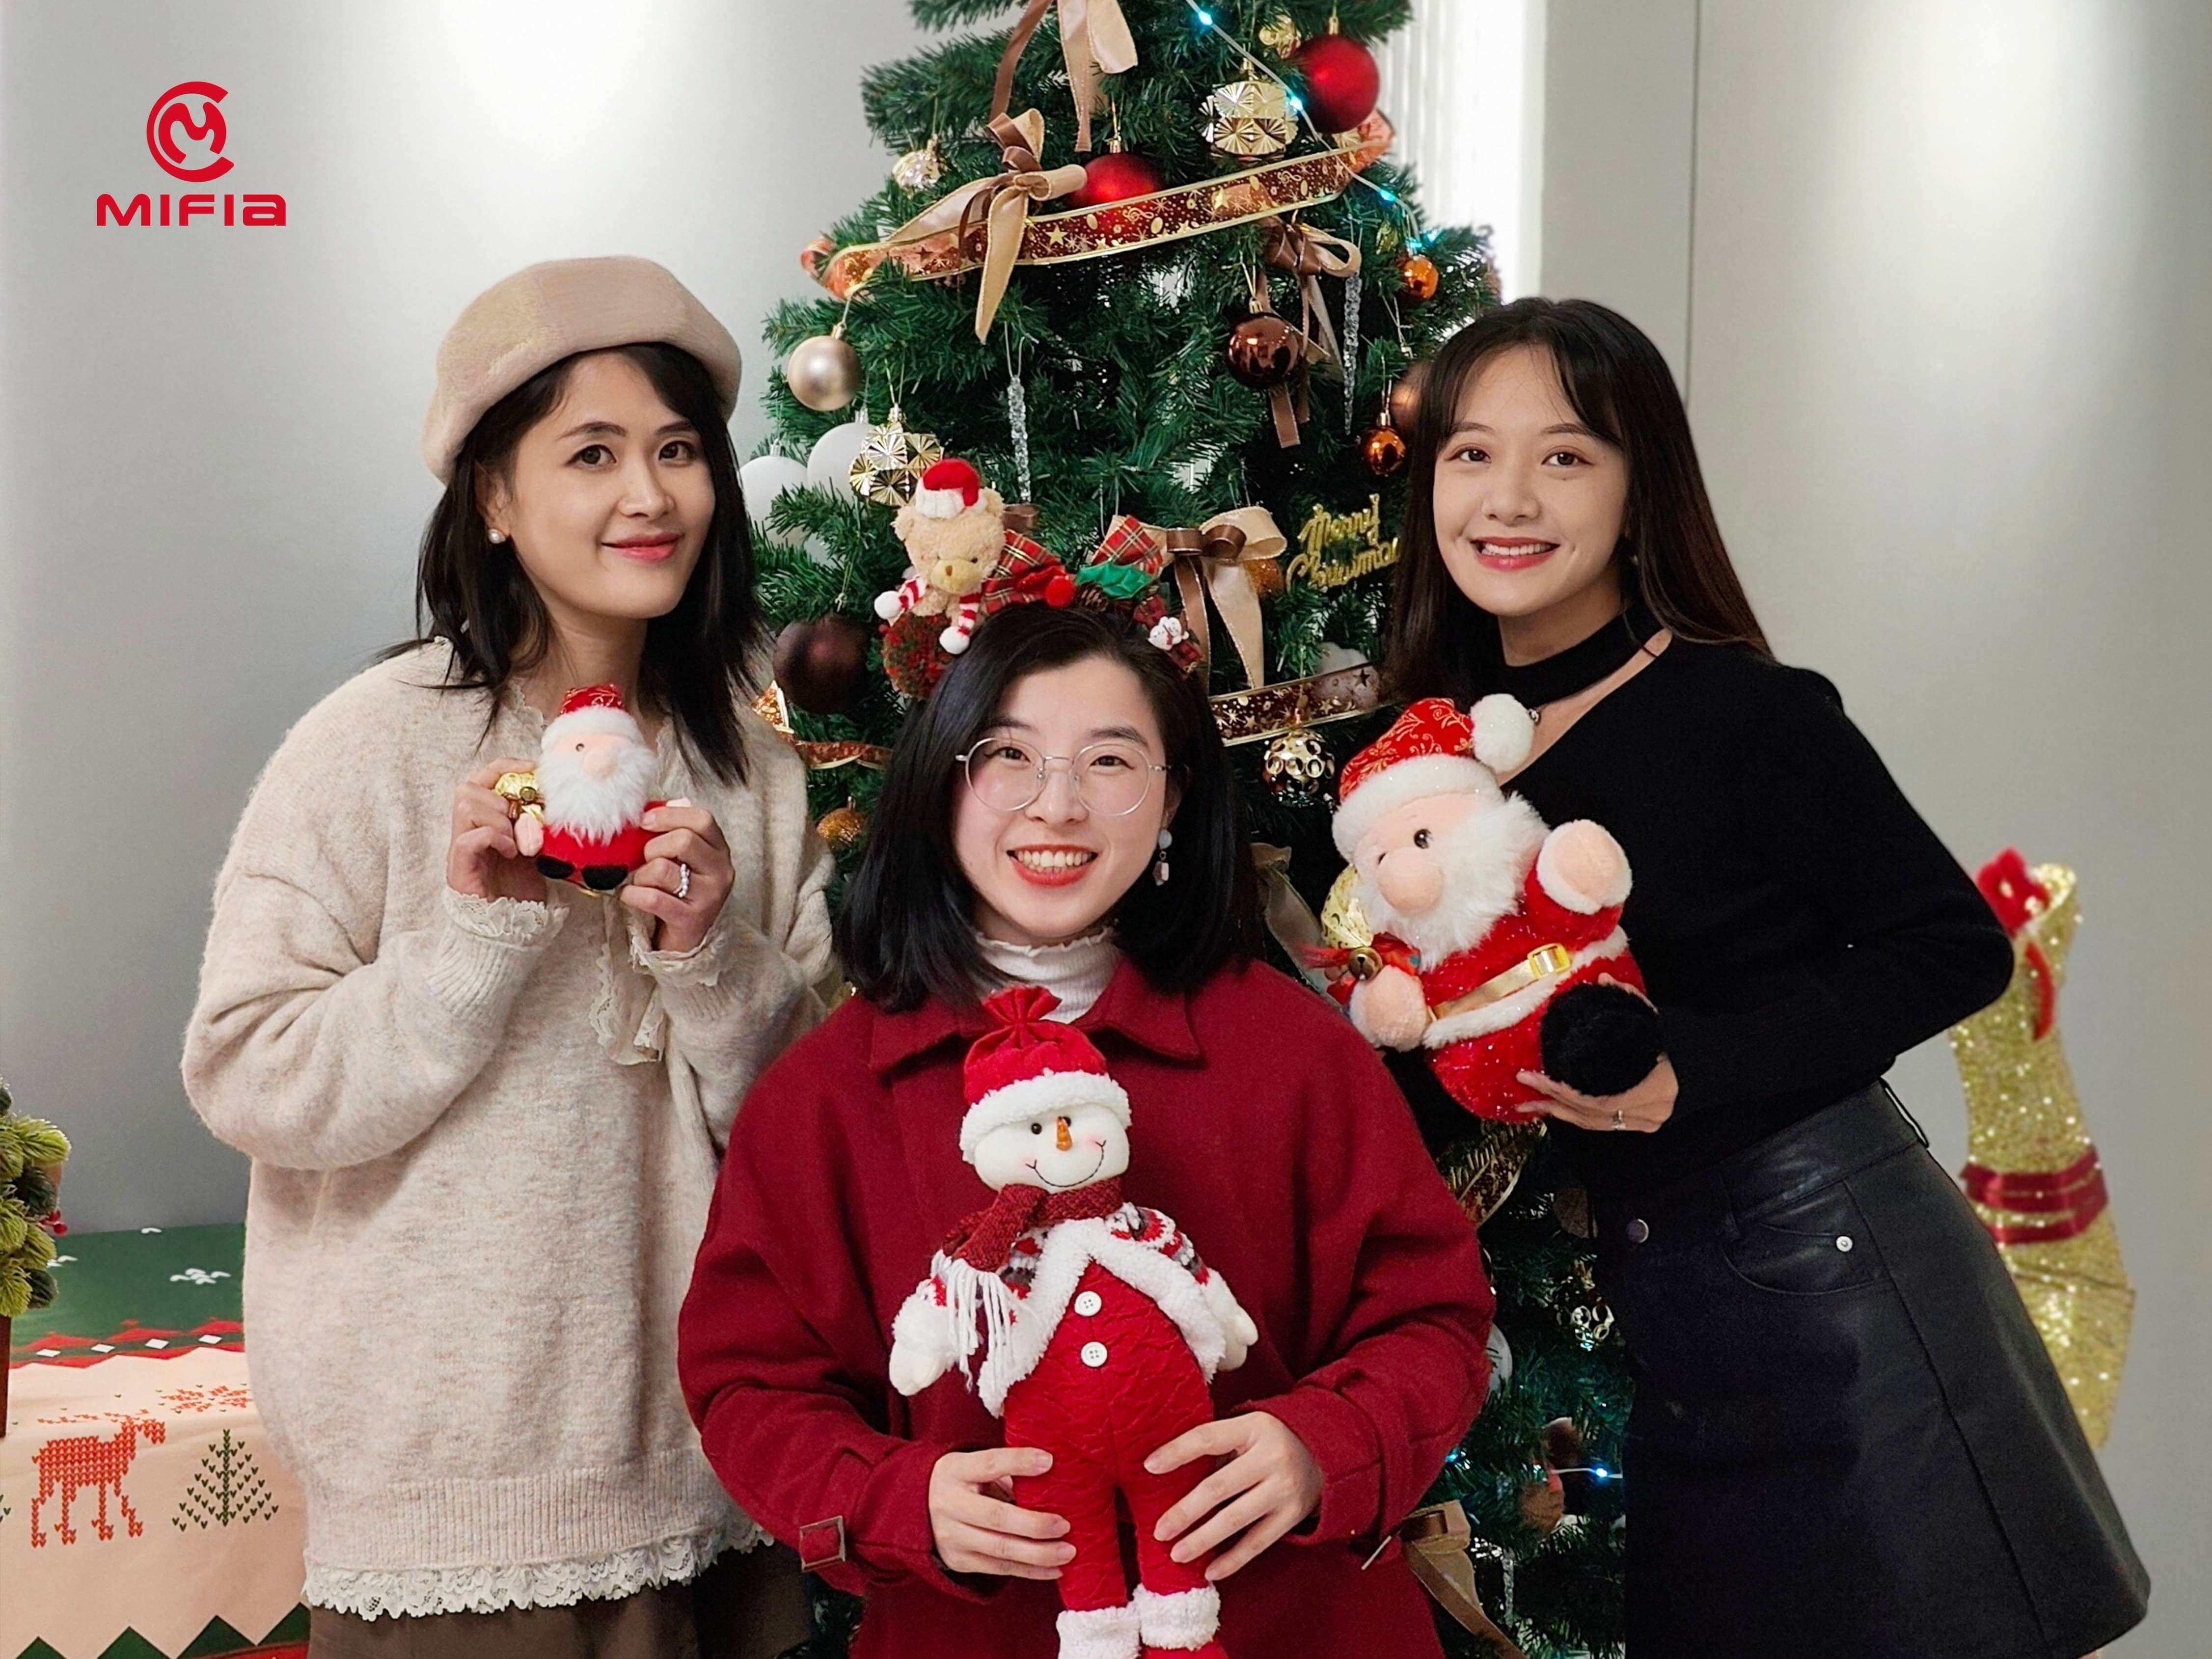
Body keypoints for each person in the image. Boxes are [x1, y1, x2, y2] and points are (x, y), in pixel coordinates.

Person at [1382, 296, 2148, 1659]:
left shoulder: (1741, 711)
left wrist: (1697, 1063)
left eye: (1565, 456)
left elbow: (1953, 945)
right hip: (1669, 1321)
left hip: (1833, 1284)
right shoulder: (1435, 763)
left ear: (1639, 490)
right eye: (1471, 455)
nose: (1509, 499)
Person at [184, 257, 833, 1658]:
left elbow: (819, 1133)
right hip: (451, 1510)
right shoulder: (371, 743)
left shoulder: (752, 768)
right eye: (590, 454)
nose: (647, 495)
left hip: (718, 1476)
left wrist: (713, 962)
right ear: (492, 495)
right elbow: (245, 1072)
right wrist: (469, 942)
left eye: (677, 450)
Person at [677, 602, 1494, 1658]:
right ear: (942, 784)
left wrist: (1323, 1446)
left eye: (1109, 761)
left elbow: (1432, 1317)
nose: (1056, 805)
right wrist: (895, 1501)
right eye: (1007, 756)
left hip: (1297, 1627)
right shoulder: (824, 1096)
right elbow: (750, 1386)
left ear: (1172, 797)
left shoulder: (1293, 1048)